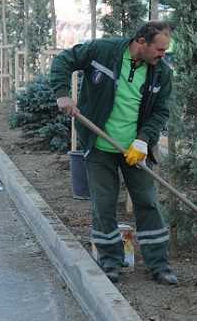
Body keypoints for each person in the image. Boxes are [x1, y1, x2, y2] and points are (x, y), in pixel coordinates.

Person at [49, 21, 177, 285]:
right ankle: (110, 261)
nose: (163, 55)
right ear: (141, 42)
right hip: (99, 145)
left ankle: (159, 264)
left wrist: (143, 141)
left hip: (134, 150)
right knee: (104, 204)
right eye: (160, 49)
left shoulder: (161, 72)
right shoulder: (103, 51)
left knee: (147, 202)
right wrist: (62, 94)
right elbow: (64, 60)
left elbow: (161, 111)